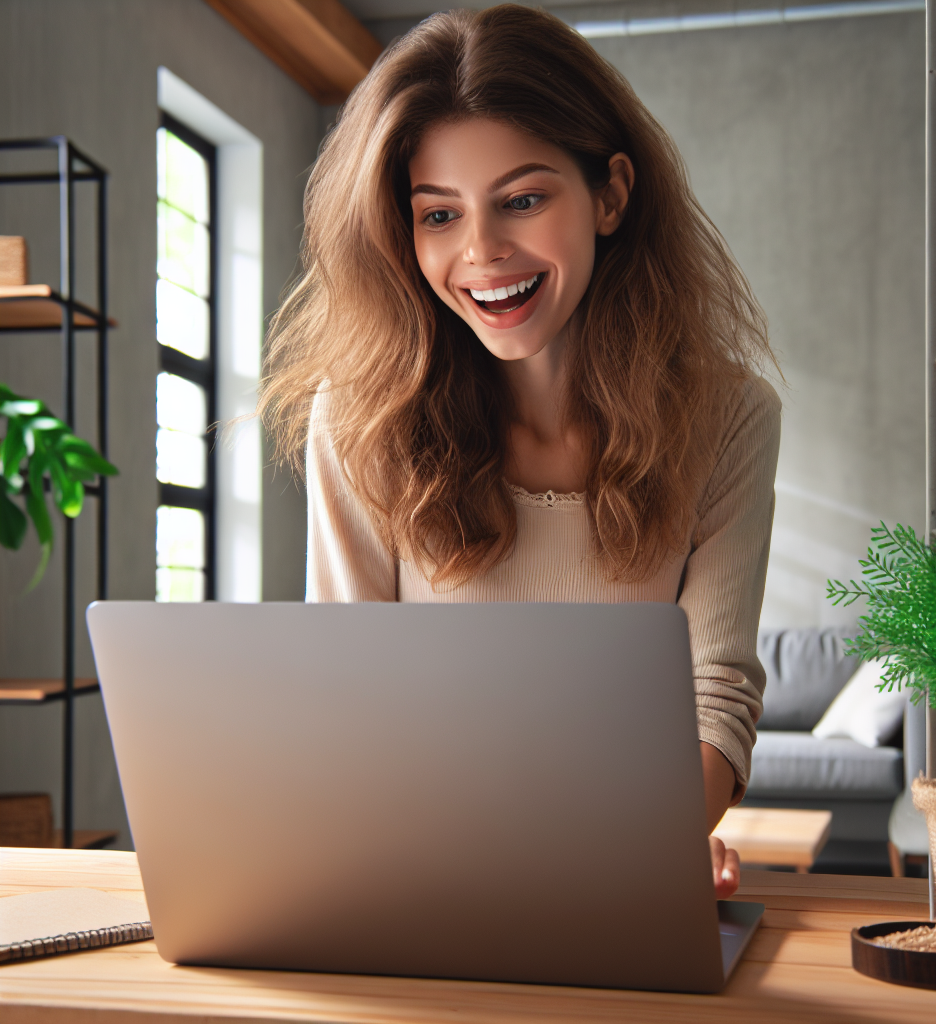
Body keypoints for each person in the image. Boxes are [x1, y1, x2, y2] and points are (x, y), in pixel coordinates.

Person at [260, 5, 781, 900]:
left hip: (614, 881)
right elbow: (347, 704)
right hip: (417, 877)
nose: (481, 252)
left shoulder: (730, 415)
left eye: (523, 199)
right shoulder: (359, 419)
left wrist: (638, 841)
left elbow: (716, 698)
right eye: (437, 214)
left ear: (611, 194)